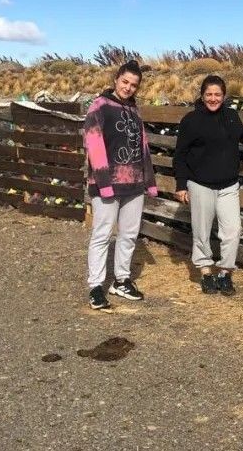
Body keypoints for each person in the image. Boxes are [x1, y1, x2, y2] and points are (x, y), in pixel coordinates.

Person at [173, 75, 243, 295]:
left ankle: (225, 273)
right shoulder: (191, 120)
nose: (213, 98)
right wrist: (181, 185)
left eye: (217, 94)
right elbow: (180, 154)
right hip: (200, 184)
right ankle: (205, 272)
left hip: (228, 185)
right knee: (201, 231)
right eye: (209, 94)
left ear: (224, 96)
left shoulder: (230, 116)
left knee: (232, 230)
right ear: (202, 96)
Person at [83, 59, 157, 310]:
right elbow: (94, 144)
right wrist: (104, 183)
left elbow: (142, 146)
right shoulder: (100, 106)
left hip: (134, 184)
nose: (128, 88)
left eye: (134, 85)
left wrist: (149, 180)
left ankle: (121, 280)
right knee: (102, 234)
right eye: (125, 82)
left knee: (129, 234)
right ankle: (95, 285)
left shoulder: (135, 111)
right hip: (107, 183)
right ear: (116, 79)